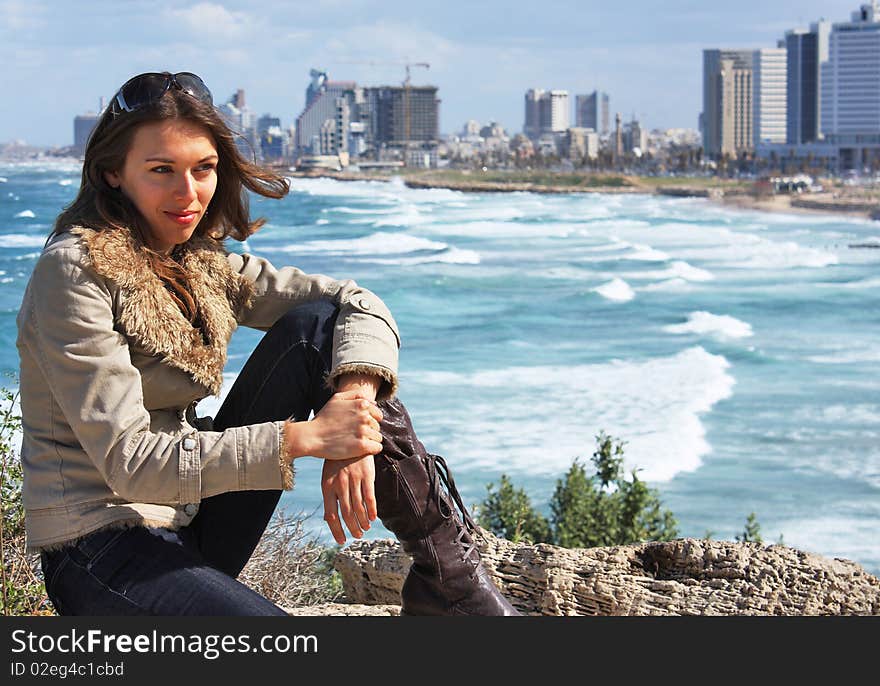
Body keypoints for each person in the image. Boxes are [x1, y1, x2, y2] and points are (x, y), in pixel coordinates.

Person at [16, 71, 520, 616]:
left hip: (190, 522)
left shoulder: (198, 260)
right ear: (113, 173)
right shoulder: (75, 271)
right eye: (162, 170)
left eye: (203, 169)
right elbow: (133, 464)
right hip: (101, 550)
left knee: (316, 326)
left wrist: (352, 411)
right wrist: (310, 437)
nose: (188, 194)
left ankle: (449, 579)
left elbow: (353, 302)